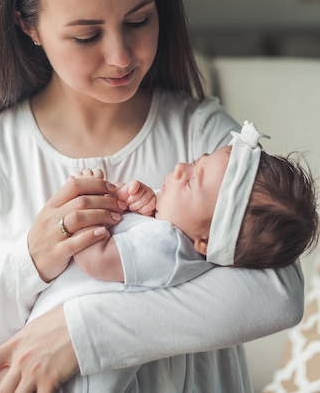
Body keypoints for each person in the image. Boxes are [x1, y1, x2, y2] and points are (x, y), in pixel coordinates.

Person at [0, 0, 305, 393]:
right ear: (28, 26)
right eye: (86, 36)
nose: (121, 56)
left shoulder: (201, 137)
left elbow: (279, 291)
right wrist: (31, 262)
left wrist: (83, 333)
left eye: (139, 21)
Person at [26, 121, 318, 392]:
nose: (179, 168)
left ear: (205, 242)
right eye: (195, 163)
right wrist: (144, 206)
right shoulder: (173, 242)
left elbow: (96, 261)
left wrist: (90, 210)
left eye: (191, 181)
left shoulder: (165, 243)